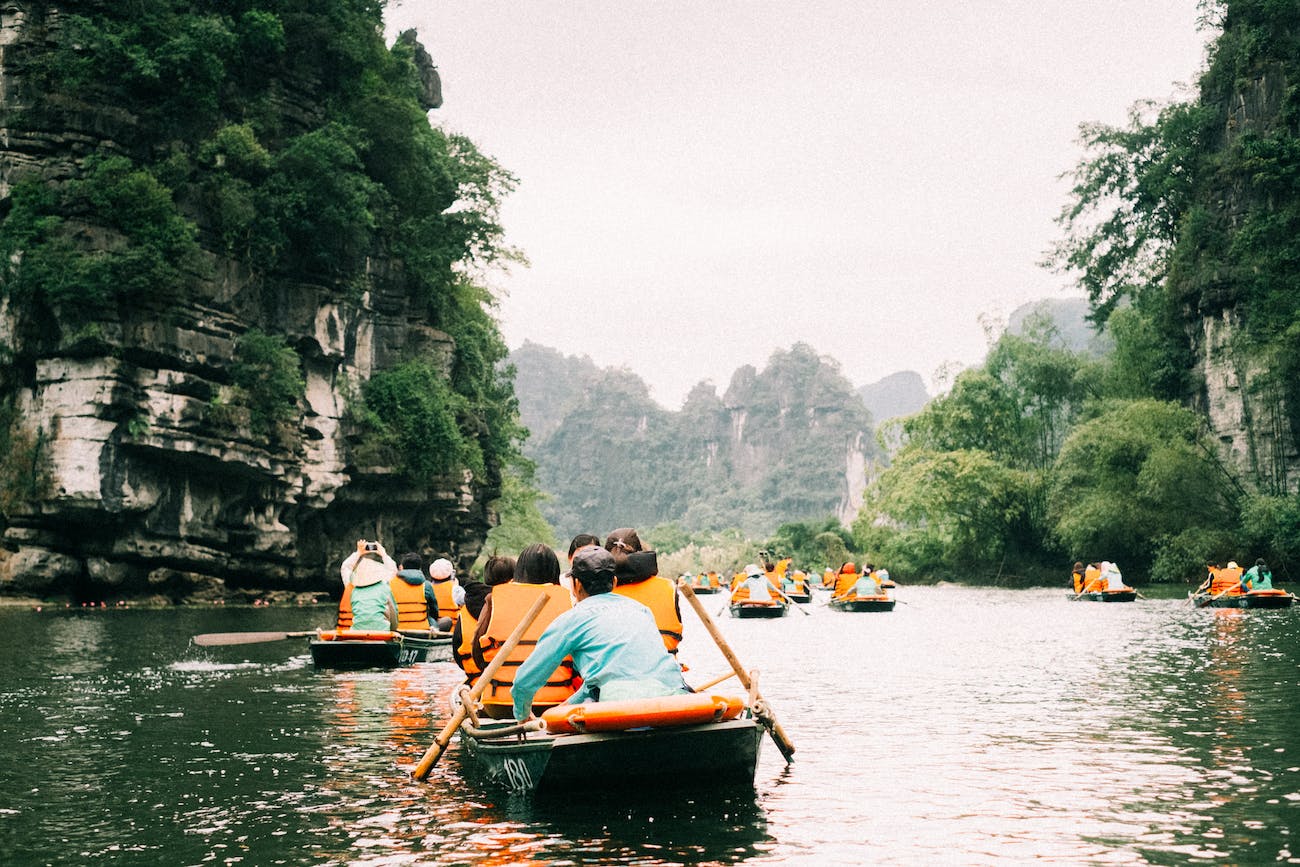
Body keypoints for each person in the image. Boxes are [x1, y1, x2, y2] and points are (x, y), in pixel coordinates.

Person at [511, 547, 691, 722]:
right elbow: (601, 682)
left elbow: (524, 682)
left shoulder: (571, 619)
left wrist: (523, 715)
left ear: (576, 585)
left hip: (619, 706)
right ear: (614, 582)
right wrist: (566, 706)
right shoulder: (641, 609)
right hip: (675, 694)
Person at [471, 543, 578, 718]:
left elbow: (477, 652)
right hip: (556, 705)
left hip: (500, 705)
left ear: (519, 570)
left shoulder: (495, 597)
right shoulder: (568, 600)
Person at [606, 528, 684, 658]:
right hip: (664, 672)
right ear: (640, 551)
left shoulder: (599, 589)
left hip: (616, 672)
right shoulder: (668, 586)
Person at [451, 555, 515, 683]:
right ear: (513, 580)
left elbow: (457, 654)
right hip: (508, 685)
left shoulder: (465, 610)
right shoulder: (514, 605)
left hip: (476, 682)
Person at [336, 540, 399, 631]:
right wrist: (383, 554)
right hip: (381, 632)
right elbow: (392, 570)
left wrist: (358, 552)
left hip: (354, 633)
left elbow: (345, 567)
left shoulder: (352, 587)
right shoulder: (385, 585)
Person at [390, 553, 435, 631]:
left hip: (397, 630)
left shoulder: (391, 584)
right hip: (422, 631)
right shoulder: (426, 585)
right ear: (420, 568)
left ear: (402, 567)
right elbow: (434, 610)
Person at [427, 557, 461, 630]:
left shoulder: (427, 589)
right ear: (451, 574)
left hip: (430, 629)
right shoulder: (456, 589)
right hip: (452, 631)